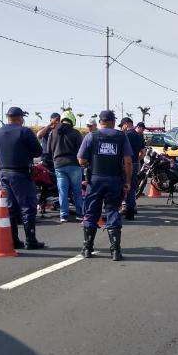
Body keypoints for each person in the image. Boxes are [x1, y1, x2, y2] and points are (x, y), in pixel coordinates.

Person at [77, 110, 133, 261]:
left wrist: (92, 161)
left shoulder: (91, 136)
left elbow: (81, 160)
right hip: (115, 179)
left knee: (91, 212)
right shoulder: (121, 137)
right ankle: (115, 251)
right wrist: (128, 182)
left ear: (100, 122)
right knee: (112, 211)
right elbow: (128, 161)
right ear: (113, 122)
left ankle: (87, 248)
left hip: (95, 179)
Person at [0, 106, 45, 249]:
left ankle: (14, 240)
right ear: (20, 118)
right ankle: (30, 240)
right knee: (28, 206)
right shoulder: (25, 131)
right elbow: (38, 151)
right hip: (21, 174)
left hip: (4, 174)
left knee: (11, 207)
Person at [49, 110, 84, 223]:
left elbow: (49, 149)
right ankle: (79, 214)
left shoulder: (53, 132)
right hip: (74, 164)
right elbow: (81, 151)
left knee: (62, 191)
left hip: (59, 164)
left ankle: (63, 215)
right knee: (77, 190)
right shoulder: (76, 133)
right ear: (72, 120)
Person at [120, 117, 147, 220]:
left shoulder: (123, 135)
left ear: (126, 124)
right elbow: (143, 153)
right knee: (132, 187)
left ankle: (124, 207)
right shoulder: (139, 136)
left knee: (123, 186)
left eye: (122, 126)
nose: (122, 128)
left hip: (124, 164)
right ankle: (132, 209)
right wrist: (137, 159)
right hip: (135, 163)